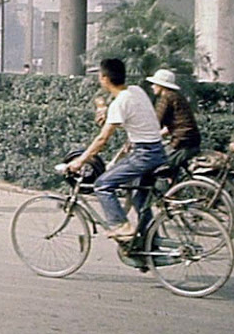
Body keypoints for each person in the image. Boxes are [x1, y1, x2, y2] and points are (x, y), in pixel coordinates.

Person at [66, 58, 167, 241]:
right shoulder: (136, 91)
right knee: (139, 199)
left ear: (104, 78)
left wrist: (80, 160)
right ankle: (151, 243)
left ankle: (122, 226)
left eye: (99, 76)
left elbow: (102, 139)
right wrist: (106, 111)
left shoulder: (119, 104)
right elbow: (134, 118)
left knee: (102, 185)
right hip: (156, 150)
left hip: (144, 154)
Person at [145, 68, 201, 175]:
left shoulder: (166, 98)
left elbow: (156, 123)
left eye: (155, 84)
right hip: (191, 141)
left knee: (150, 165)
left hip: (181, 142)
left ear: (161, 85)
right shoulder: (177, 97)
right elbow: (177, 124)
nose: (152, 87)